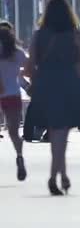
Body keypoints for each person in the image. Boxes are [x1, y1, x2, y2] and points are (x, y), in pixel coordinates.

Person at [24, 0, 80, 195]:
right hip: (68, 83)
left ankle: (61, 175)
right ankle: (56, 176)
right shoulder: (74, 34)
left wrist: (39, 79)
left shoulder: (39, 35)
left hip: (46, 84)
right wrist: (69, 74)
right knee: (62, 132)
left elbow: (29, 66)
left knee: (55, 132)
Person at [0, 25, 28, 181]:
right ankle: (19, 156)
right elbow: (30, 66)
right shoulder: (18, 53)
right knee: (14, 132)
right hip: (13, 95)